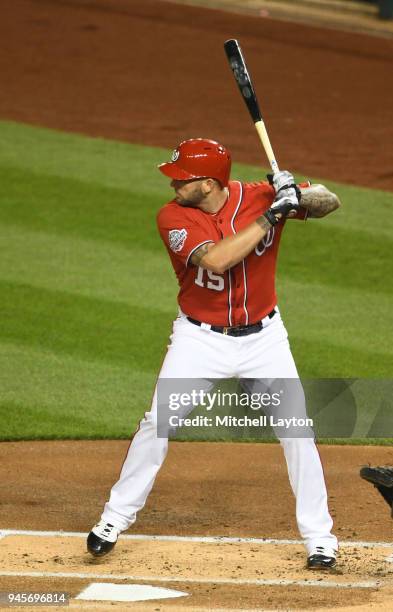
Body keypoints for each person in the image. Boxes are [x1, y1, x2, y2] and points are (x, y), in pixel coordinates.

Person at [87, 138, 340, 569]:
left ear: (207, 183)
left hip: (265, 339)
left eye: (181, 179)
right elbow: (218, 260)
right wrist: (273, 214)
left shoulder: (259, 197)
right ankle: (113, 519)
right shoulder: (173, 216)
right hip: (199, 341)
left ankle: (320, 539)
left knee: (297, 429)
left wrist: (296, 194)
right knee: (158, 423)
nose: (172, 185)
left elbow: (330, 202)